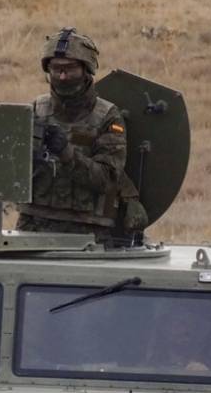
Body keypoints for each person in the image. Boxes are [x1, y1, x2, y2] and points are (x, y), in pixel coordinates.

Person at [16, 28, 148, 240]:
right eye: (55, 69)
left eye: (70, 69)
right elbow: (14, 168)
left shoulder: (108, 117)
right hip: (34, 223)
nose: (62, 76)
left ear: (87, 70)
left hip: (89, 228)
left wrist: (66, 152)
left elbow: (108, 180)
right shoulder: (36, 110)